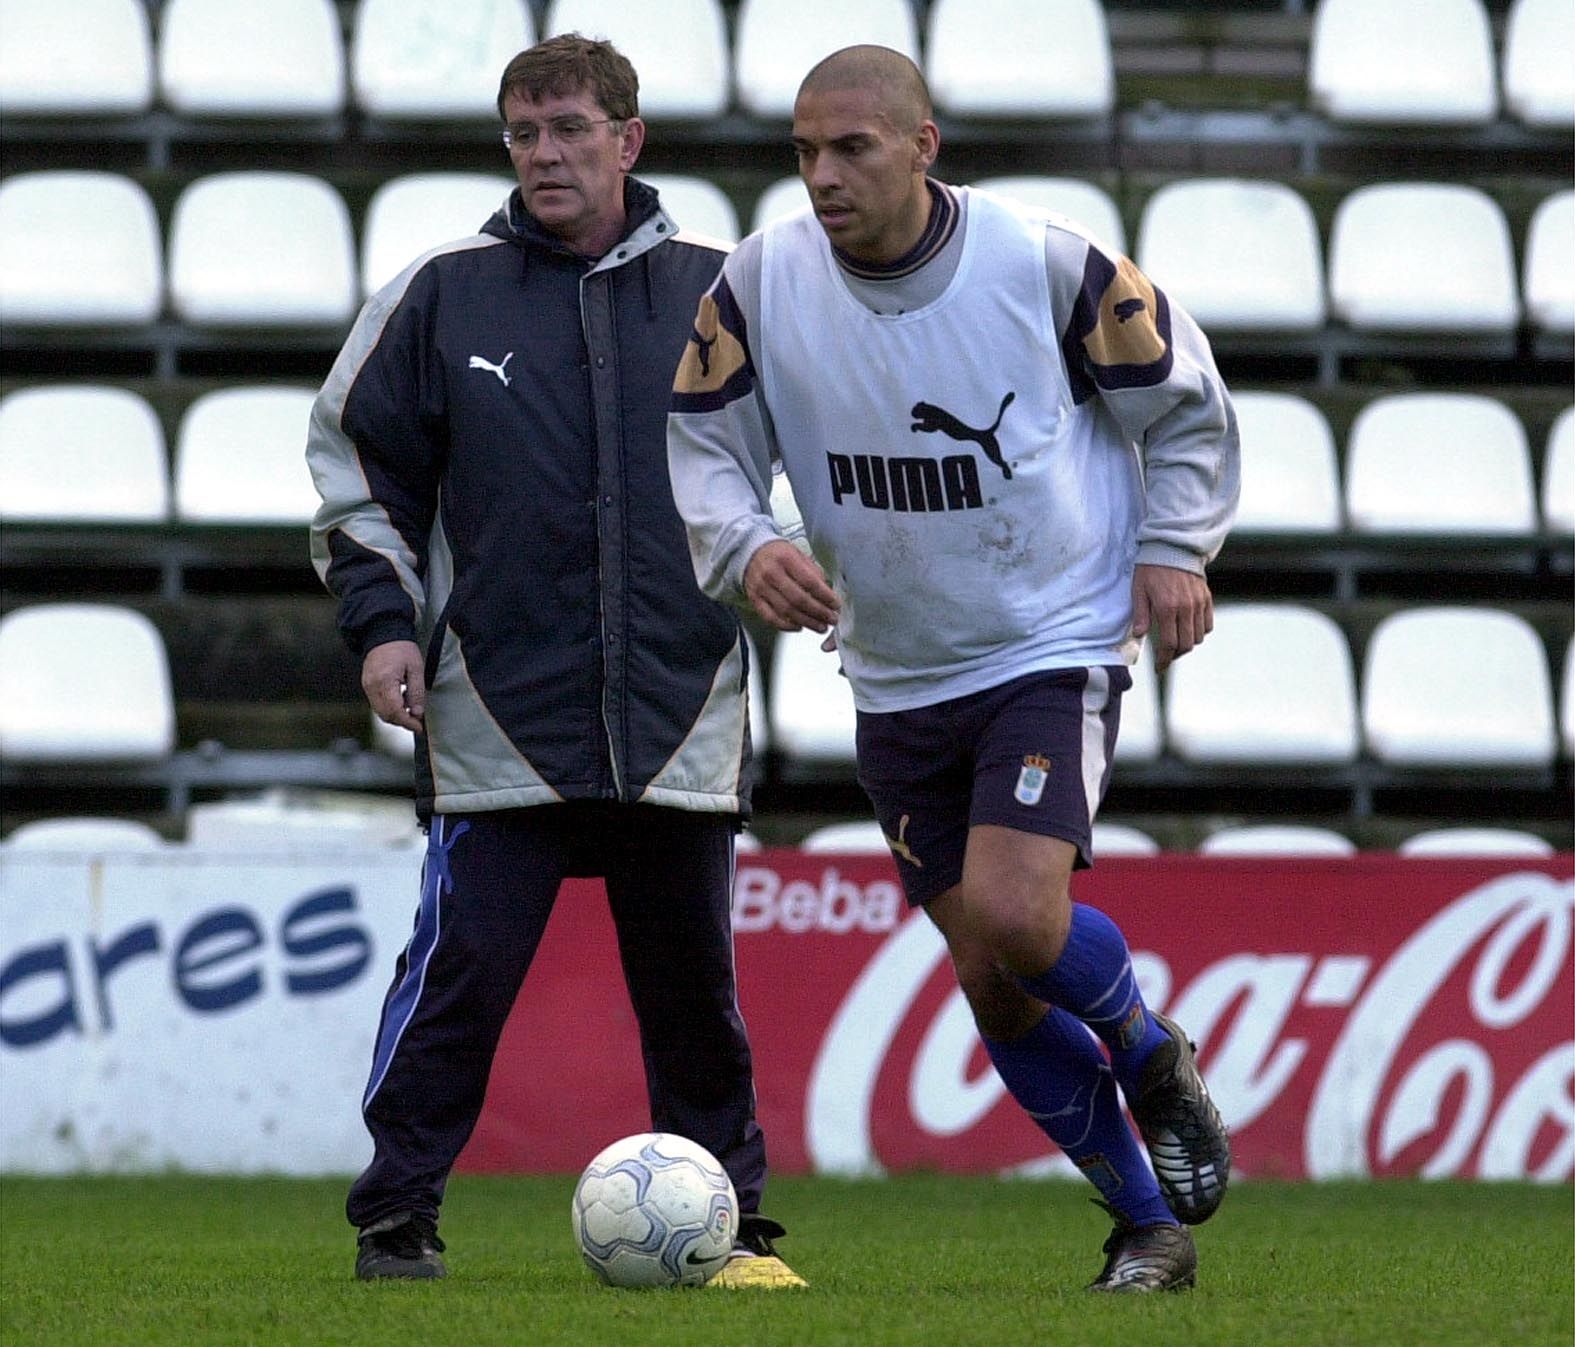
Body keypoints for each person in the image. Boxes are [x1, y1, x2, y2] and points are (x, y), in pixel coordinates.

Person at [668, 45, 1239, 1293]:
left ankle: (1147, 1050)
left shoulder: (1044, 260)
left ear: (923, 146)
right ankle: (1149, 1229)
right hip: (894, 670)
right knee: (991, 981)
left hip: (1049, 641)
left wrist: (1175, 547)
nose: (821, 176)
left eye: (851, 149)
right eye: (804, 152)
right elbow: (706, 448)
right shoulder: (758, 283)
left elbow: (1183, 404)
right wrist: (747, 546)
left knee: (1018, 919)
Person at [307, 34, 802, 1289]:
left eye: (570, 128)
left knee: (695, 995)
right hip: (497, 708)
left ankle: (733, 1228)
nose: (544, 155)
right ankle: (396, 1220)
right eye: (525, 133)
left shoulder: (727, 290)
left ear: (627, 141)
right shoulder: (439, 292)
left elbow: (822, 454)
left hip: (677, 700)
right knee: (458, 984)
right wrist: (380, 630)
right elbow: (355, 478)